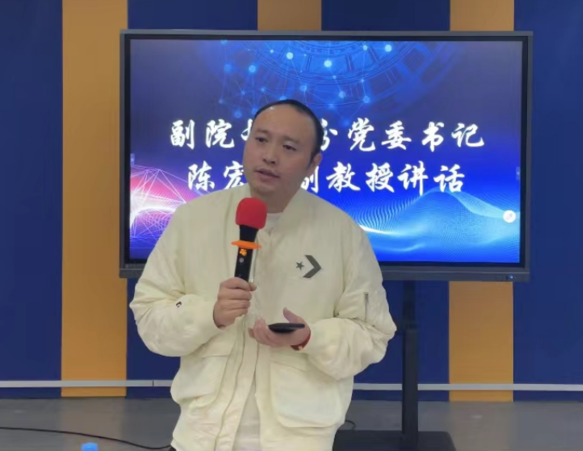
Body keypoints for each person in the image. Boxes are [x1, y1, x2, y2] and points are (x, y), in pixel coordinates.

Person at [130, 99, 396, 451]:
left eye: (289, 147)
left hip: (299, 438)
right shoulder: (193, 220)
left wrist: (310, 337)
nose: (270, 156)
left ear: (313, 164)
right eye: (261, 140)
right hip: (202, 435)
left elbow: (372, 336)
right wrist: (209, 314)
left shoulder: (342, 234)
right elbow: (150, 317)